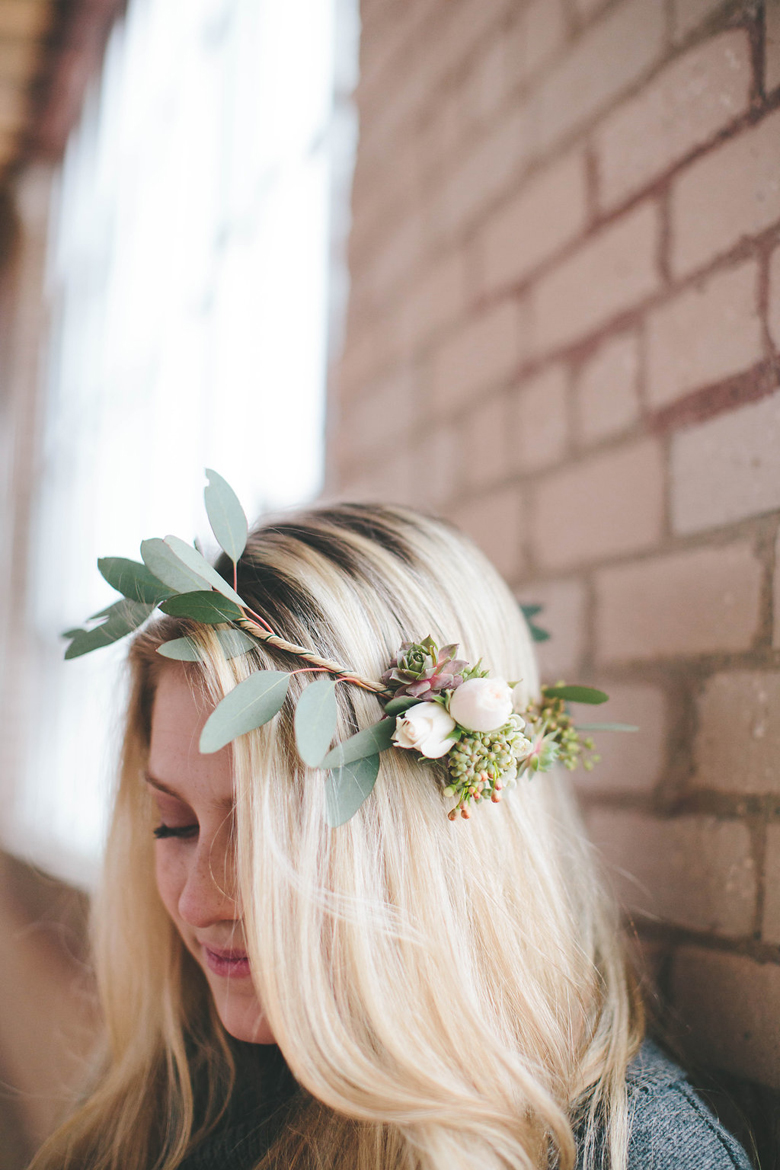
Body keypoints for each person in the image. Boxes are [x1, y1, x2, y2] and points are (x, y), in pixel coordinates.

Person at [31, 502, 753, 1170]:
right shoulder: (177, 1087)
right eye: (175, 824)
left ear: (430, 840)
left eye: (278, 834)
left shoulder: (634, 1150)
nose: (195, 902)